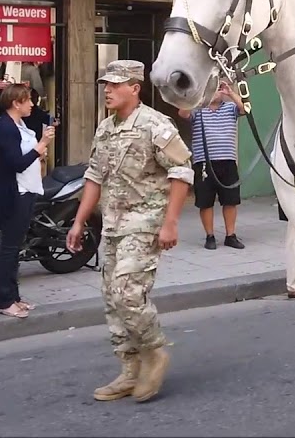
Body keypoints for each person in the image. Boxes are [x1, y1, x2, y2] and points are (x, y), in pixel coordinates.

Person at [66, 60, 193, 403]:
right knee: (112, 298)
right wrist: (79, 221)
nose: (107, 90)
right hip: (113, 223)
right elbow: (94, 176)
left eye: (115, 84)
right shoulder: (105, 128)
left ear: (134, 88)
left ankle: (154, 351)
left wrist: (171, 222)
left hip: (145, 221)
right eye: (105, 84)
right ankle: (129, 369)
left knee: (127, 292)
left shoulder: (155, 124)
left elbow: (181, 170)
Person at [0, 84, 55, 318]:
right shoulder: (6, 128)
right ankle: (4, 300)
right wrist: (42, 146)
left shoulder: (19, 124)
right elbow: (16, 163)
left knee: (16, 246)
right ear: (16, 103)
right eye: (27, 100)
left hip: (26, 190)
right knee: (9, 247)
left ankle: (14, 297)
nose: (31, 105)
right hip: (14, 192)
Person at [178, 81, 246, 250]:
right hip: (203, 163)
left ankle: (231, 235)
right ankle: (210, 236)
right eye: (213, 89)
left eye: (218, 89)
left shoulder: (229, 108)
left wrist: (230, 93)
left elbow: (244, 109)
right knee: (205, 202)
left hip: (228, 161)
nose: (217, 92)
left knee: (230, 200)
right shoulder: (198, 110)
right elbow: (183, 113)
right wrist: (199, 97)